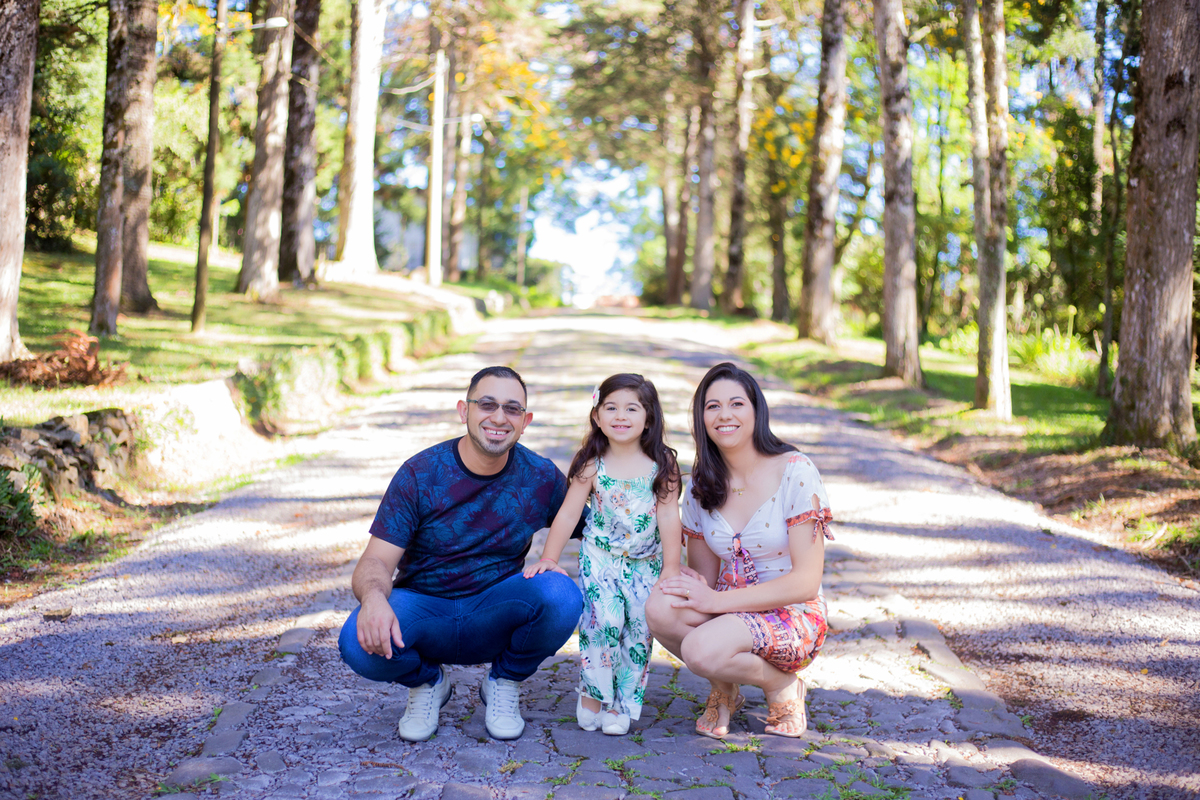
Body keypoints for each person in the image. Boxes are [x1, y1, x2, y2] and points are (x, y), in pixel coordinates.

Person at [338, 366, 584, 742]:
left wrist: (657, 499)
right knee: (356, 642)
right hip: (424, 611)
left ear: (526, 421)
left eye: (512, 409)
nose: (499, 417)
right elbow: (375, 562)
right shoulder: (420, 474)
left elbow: (600, 526)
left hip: (494, 610)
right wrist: (373, 598)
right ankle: (428, 684)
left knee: (561, 596)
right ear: (463, 410)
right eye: (486, 404)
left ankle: (504, 681)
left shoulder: (540, 476)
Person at [646, 362, 834, 740]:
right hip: (730, 610)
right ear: (701, 418)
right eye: (712, 406)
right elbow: (706, 580)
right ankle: (726, 688)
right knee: (659, 609)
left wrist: (715, 603)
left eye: (736, 404)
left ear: (755, 411)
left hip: (791, 613)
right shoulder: (702, 484)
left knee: (700, 649)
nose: (724, 415)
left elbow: (806, 582)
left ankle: (781, 686)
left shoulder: (794, 471)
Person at [524, 373, 682, 736]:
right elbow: (567, 513)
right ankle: (594, 693)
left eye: (631, 408)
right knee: (602, 623)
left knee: (639, 628)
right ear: (597, 416)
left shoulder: (663, 466)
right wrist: (550, 557)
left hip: (647, 562)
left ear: (649, 418)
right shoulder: (592, 463)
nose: (620, 416)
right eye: (611, 407)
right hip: (601, 559)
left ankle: (622, 703)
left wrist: (671, 568)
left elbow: (671, 518)